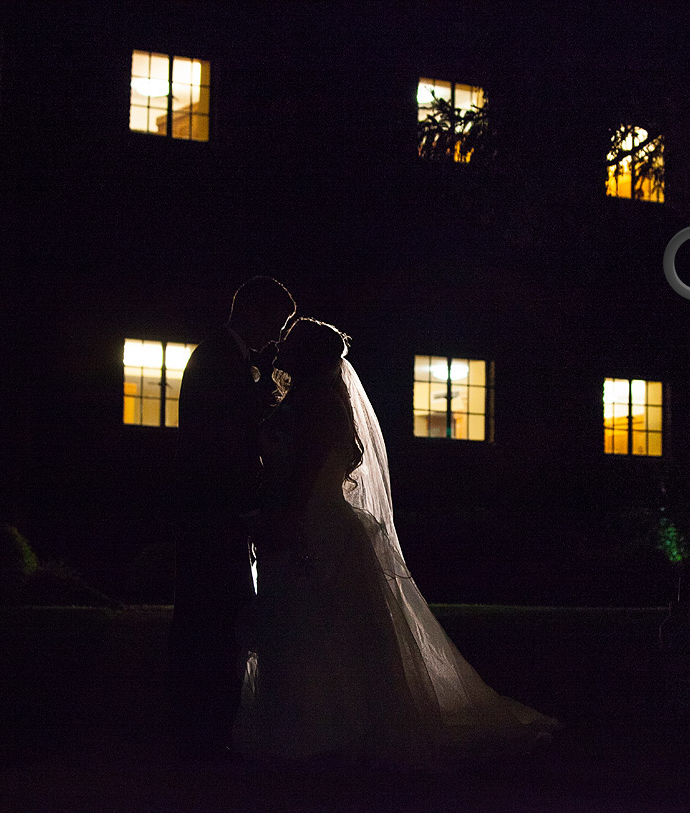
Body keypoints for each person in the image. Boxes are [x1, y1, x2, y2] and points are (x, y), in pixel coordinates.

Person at [234, 318, 559, 769]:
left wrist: (286, 519)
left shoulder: (315, 405)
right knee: (315, 626)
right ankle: (318, 725)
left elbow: (306, 473)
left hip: (310, 523)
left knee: (308, 623)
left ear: (306, 353)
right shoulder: (308, 399)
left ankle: (314, 728)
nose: (280, 344)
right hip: (316, 520)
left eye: (290, 340)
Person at [168, 276, 296, 759]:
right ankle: (198, 730)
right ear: (255, 312)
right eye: (276, 322)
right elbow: (217, 447)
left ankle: (204, 725)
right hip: (212, 513)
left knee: (217, 618)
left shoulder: (228, 359)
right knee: (207, 619)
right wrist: (249, 501)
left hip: (217, 513)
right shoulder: (217, 359)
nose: (277, 336)